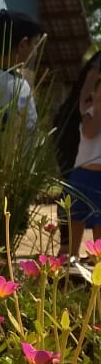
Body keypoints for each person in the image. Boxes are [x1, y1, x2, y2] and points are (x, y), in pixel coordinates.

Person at [66, 53, 101, 278]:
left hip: (100, 179)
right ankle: (72, 259)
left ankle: (98, 261)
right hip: (82, 175)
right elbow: (89, 133)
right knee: (76, 218)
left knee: (100, 221)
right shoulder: (90, 114)